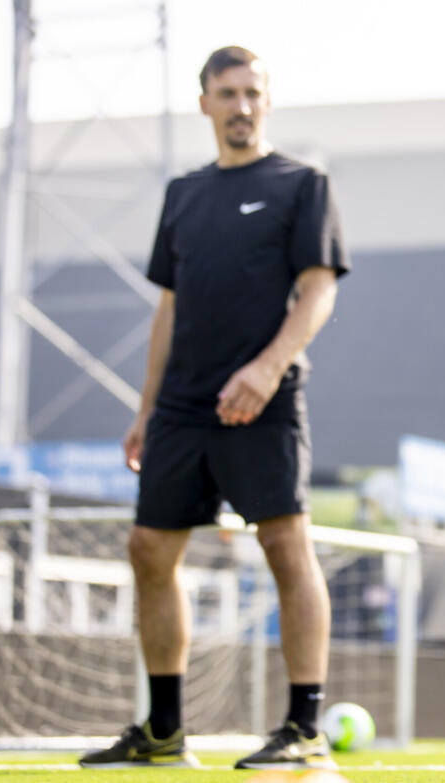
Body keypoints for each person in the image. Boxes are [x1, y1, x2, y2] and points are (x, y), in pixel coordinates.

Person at [79, 45, 349, 770]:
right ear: (205, 103)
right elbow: (167, 308)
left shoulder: (301, 183)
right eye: (227, 93)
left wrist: (267, 368)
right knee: (148, 550)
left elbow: (319, 288)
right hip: (182, 408)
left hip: (264, 400)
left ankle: (303, 731)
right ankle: (164, 732)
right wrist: (146, 408)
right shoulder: (183, 194)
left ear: (267, 100)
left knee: (285, 547)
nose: (242, 106)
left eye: (253, 93)